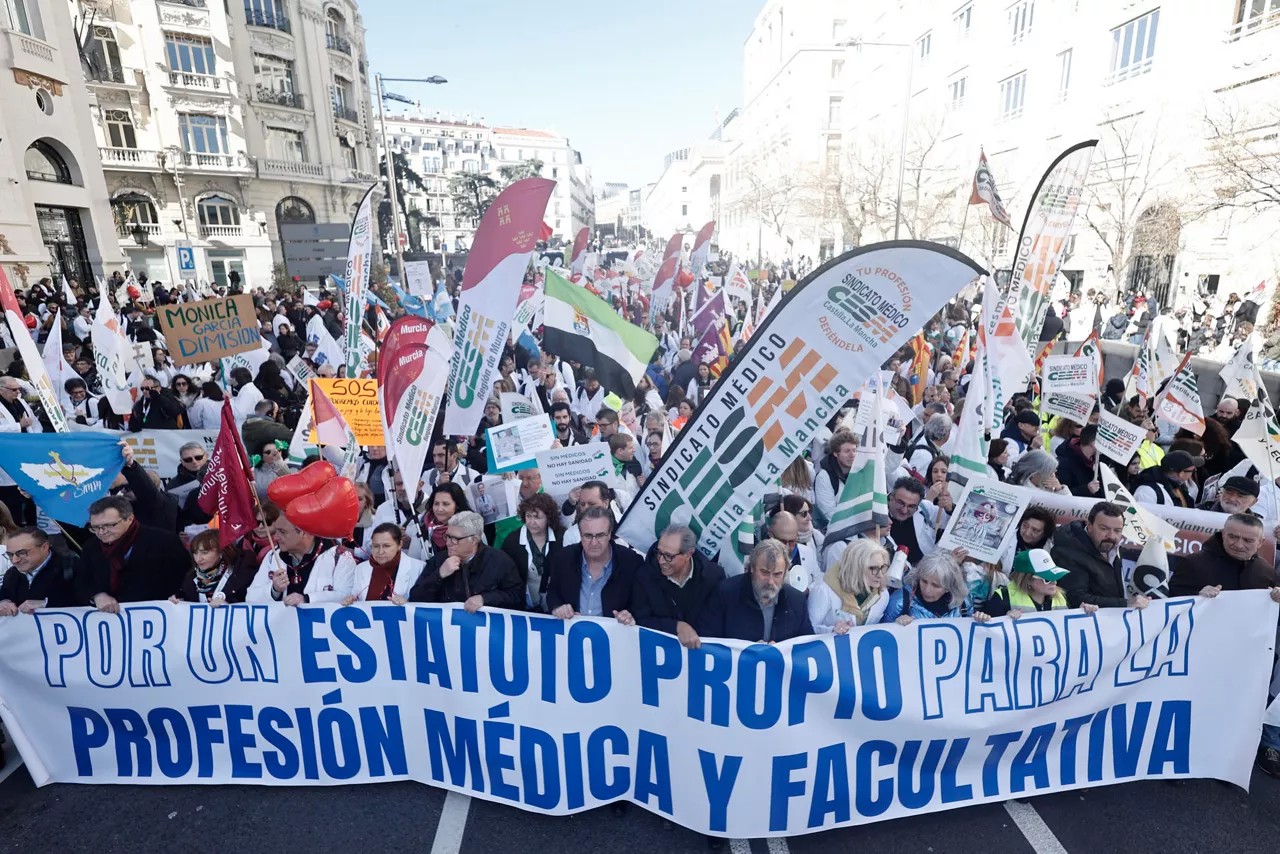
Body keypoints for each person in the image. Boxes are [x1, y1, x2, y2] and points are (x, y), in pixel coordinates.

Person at [77, 495, 189, 611]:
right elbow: (82, 582)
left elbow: (184, 579)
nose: (101, 532)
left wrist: (178, 597)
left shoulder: (164, 542)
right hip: (110, 621)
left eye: (109, 525)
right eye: (95, 527)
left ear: (129, 519)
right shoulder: (91, 547)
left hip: (157, 617)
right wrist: (97, 595)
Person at [632, 524, 727, 649]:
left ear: (688, 554)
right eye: (659, 553)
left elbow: (719, 620)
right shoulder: (645, 576)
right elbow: (640, 620)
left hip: (701, 655)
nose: (661, 561)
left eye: (669, 556)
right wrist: (676, 627)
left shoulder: (713, 576)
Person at [698, 539, 814, 642]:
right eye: (764, 572)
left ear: (785, 574)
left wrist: (780, 651)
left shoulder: (797, 601)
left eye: (777, 574)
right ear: (752, 568)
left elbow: (807, 648)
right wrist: (750, 652)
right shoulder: (725, 594)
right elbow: (708, 642)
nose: (770, 581)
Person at [409, 510, 523, 612]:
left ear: (474, 540)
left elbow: (518, 598)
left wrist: (485, 599)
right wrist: (439, 575)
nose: (448, 543)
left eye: (455, 539)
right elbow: (415, 598)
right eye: (447, 536)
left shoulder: (499, 561)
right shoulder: (439, 560)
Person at [246, 501, 356, 606]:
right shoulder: (272, 556)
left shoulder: (339, 557)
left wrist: (307, 599)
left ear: (304, 532)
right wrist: (274, 590)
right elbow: (250, 597)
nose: (276, 537)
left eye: (282, 532)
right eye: (276, 531)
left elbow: (348, 595)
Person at [544, 506, 642, 623]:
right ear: (580, 535)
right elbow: (553, 592)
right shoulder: (563, 558)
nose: (594, 543)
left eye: (600, 535)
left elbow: (641, 605)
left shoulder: (631, 562)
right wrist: (557, 607)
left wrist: (631, 615)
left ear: (610, 534)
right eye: (588, 536)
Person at [1052, 501, 1149, 610]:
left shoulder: (1112, 549)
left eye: (1117, 530)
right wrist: (1125, 603)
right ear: (1089, 525)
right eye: (1104, 529)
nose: (1111, 536)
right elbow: (1075, 598)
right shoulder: (1068, 551)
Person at [976, 549, 1101, 619]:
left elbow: (1069, 632)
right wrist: (1002, 620)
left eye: (1055, 576)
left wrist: (1083, 614)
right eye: (1047, 578)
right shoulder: (1003, 598)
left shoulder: (1060, 597)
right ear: (1027, 579)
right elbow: (985, 631)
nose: (1054, 582)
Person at [808, 539, 891, 632]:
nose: (880, 575)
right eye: (873, 568)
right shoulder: (823, 591)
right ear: (856, 568)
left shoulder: (883, 594)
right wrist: (832, 630)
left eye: (883, 567)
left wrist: (899, 624)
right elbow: (809, 629)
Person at [500, 493, 563, 611]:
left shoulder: (562, 537)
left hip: (555, 606)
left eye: (537, 517)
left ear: (549, 518)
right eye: (528, 516)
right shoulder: (512, 540)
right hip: (523, 606)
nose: (532, 522)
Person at [0, 527, 78, 614]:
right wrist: (4, 602)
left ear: (44, 547)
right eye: (10, 555)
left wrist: (46, 604)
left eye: (22, 553)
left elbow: (86, 600)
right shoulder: (12, 574)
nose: (15, 560)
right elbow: (5, 595)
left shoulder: (71, 567)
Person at [343, 522, 425, 605]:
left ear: (399, 545)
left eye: (386, 546)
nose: (380, 552)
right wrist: (351, 600)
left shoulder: (419, 568)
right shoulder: (361, 568)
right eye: (376, 546)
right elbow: (356, 597)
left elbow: (426, 605)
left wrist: (408, 603)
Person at [169, 530, 256, 605]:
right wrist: (179, 601)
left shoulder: (242, 574)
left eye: (205, 552)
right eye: (195, 553)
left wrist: (228, 604)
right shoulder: (190, 579)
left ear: (221, 552)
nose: (198, 559)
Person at [879, 550, 968, 624]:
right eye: (924, 581)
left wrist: (979, 619)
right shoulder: (901, 601)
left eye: (936, 586)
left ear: (949, 587)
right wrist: (896, 625)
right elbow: (884, 637)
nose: (927, 589)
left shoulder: (963, 602)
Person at [768, 509, 820, 590]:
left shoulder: (808, 553)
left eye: (792, 541)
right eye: (783, 541)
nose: (787, 547)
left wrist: (808, 589)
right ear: (771, 535)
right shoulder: (761, 558)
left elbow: (818, 579)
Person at [814, 429, 856, 521]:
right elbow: (828, 513)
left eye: (854, 450)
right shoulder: (824, 477)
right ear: (836, 453)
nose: (852, 455)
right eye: (847, 451)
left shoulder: (859, 472)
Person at [1132, 449, 1199, 507]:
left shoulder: (1181, 487)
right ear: (1181, 474)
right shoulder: (1147, 492)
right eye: (1193, 470)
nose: (1194, 472)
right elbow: (1134, 514)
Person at [422, 481, 470, 561]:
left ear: (457, 505)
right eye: (436, 504)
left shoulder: (471, 529)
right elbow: (414, 562)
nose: (439, 509)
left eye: (446, 504)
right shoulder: (423, 526)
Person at [1055, 424, 1102, 497]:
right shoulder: (1064, 463)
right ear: (1093, 444)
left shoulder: (1099, 460)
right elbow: (1060, 492)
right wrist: (1086, 489)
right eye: (1103, 443)